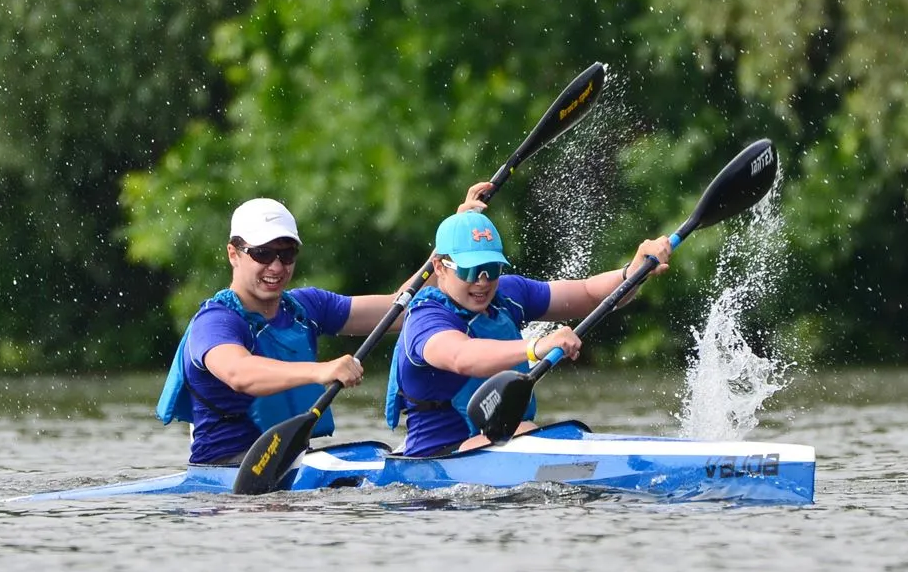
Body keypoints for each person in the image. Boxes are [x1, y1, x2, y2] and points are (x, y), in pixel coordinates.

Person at [156, 186, 490, 466]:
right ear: (234, 254)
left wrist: (449, 250)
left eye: (287, 254)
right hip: (232, 472)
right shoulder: (216, 321)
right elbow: (240, 374)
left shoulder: (306, 307)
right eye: (262, 253)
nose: (276, 266)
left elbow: (400, 309)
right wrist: (321, 371)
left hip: (296, 463)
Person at [385, 193, 672, 457]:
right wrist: (537, 346)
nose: (483, 281)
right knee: (523, 433)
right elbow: (463, 357)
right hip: (435, 465)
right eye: (471, 270)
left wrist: (632, 272)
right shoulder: (426, 317)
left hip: (497, 445)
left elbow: (587, 293)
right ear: (439, 267)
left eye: (492, 268)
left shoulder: (508, 295)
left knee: (529, 432)